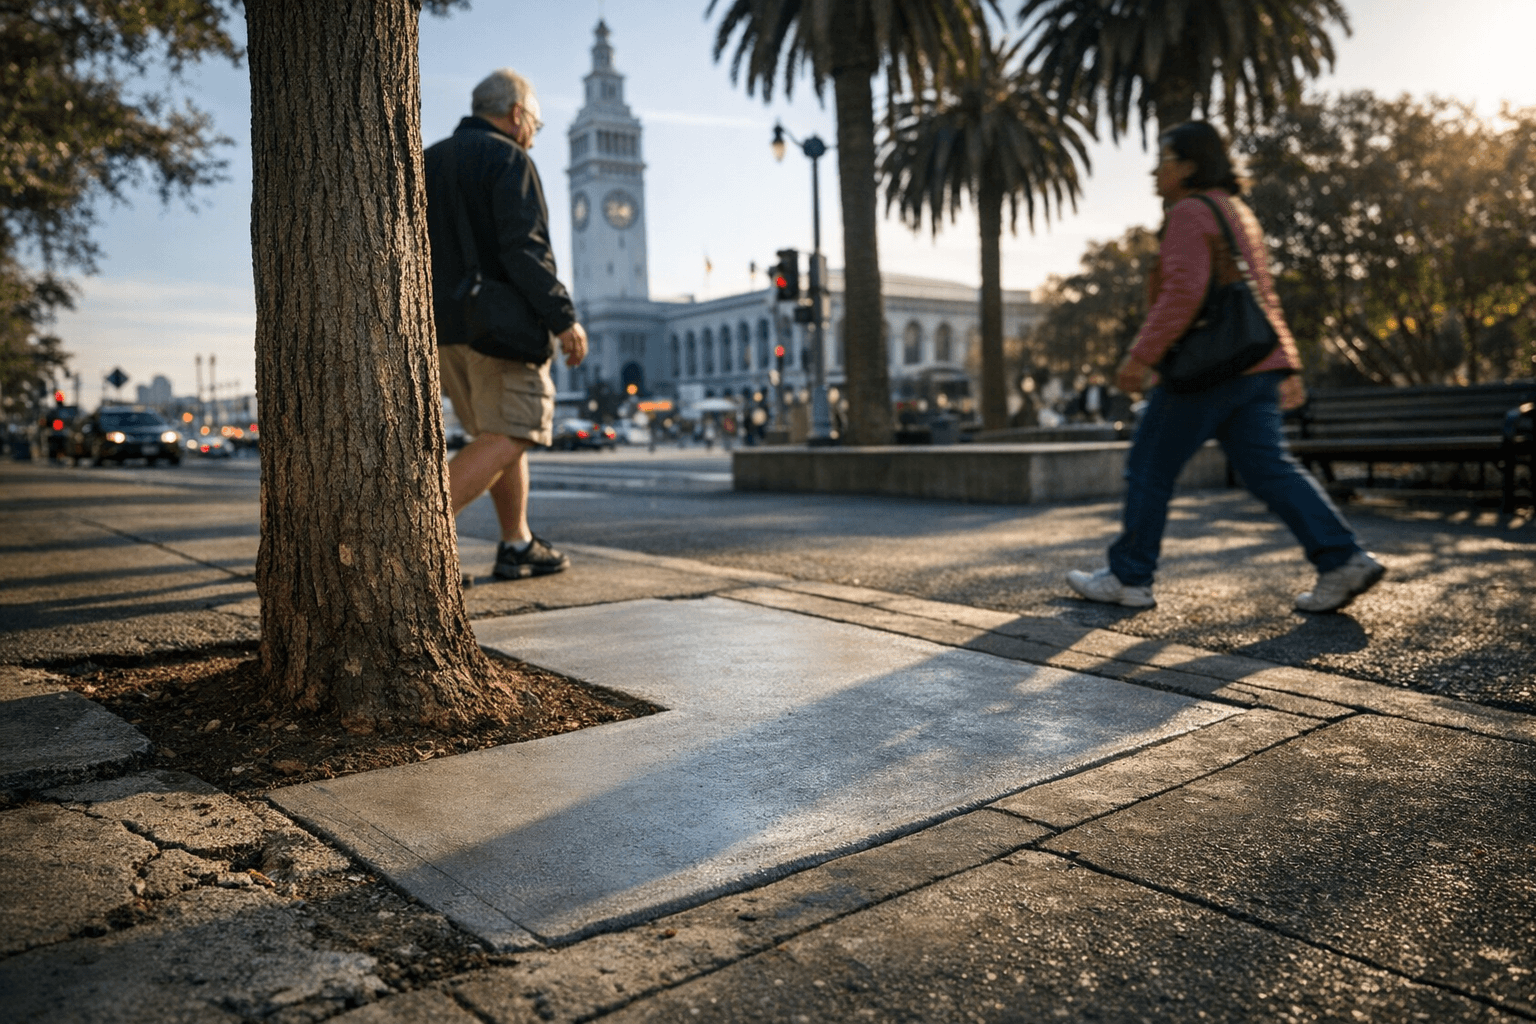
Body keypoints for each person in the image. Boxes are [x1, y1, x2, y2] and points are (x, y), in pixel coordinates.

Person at [1066, 121, 1384, 614]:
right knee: (1267, 467)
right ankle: (1341, 558)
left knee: (1149, 465)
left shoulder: (1190, 212)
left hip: (1207, 368)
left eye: (1164, 161)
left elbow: (1184, 293)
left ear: (1188, 166)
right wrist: (1288, 362)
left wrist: (1141, 356)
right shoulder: (1238, 212)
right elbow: (1262, 296)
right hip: (1255, 363)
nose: (1155, 172)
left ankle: (1130, 577)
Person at [424, 69, 587, 580]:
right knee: (514, 431)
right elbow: (525, 249)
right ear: (516, 114)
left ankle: (516, 543)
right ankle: (414, 540)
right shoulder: (509, 158)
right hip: (500, 328)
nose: (534, 134)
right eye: (535, 122)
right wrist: (563, 318)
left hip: (442, 328)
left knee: (495, 433)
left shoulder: (428, 159)